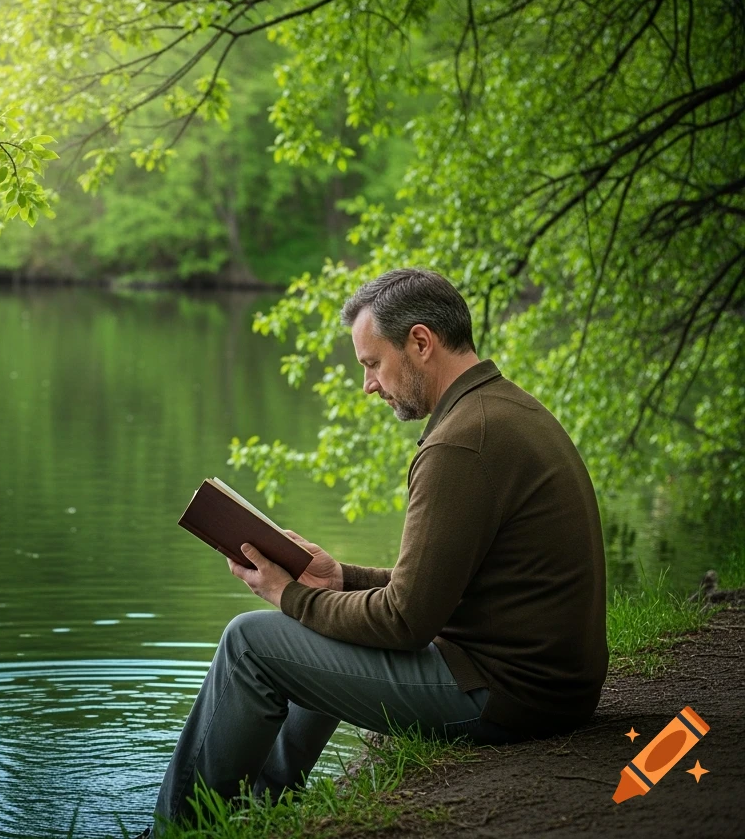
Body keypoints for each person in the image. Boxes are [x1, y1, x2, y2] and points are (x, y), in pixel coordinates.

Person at [149, 268, 608, 832]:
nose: (367, 384)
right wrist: (337, 576)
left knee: (249, 643)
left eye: (371, 363)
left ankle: (177, 829)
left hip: (509, 698)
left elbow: (406, 621)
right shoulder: (503, 410)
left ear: (420, 342)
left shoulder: (460, 444)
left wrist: (289, 594)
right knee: (318, 625)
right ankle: (254, 814)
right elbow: (441, 584)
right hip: (549, 685)